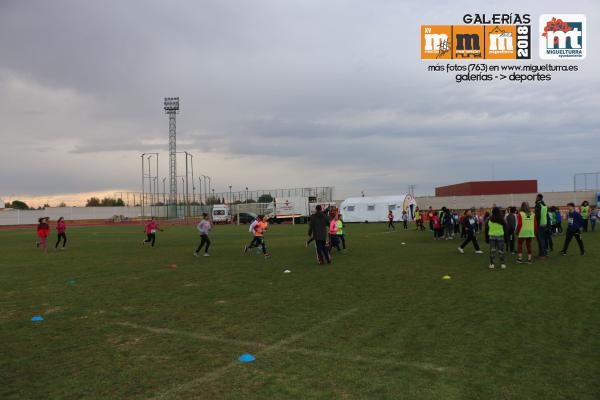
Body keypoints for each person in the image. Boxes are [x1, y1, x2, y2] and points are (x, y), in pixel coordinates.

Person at [534, 194, 549, 260]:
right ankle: (544, 253)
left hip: (539, 225)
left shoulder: (538, 205)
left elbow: (537, 216)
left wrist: (536, 225)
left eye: (536, 197)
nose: (536, 198)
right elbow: (547, 216)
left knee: (540, 240)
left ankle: (542, 255)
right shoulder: (545, 205)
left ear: (538, 198)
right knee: (544, 240)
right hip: (544, 224)